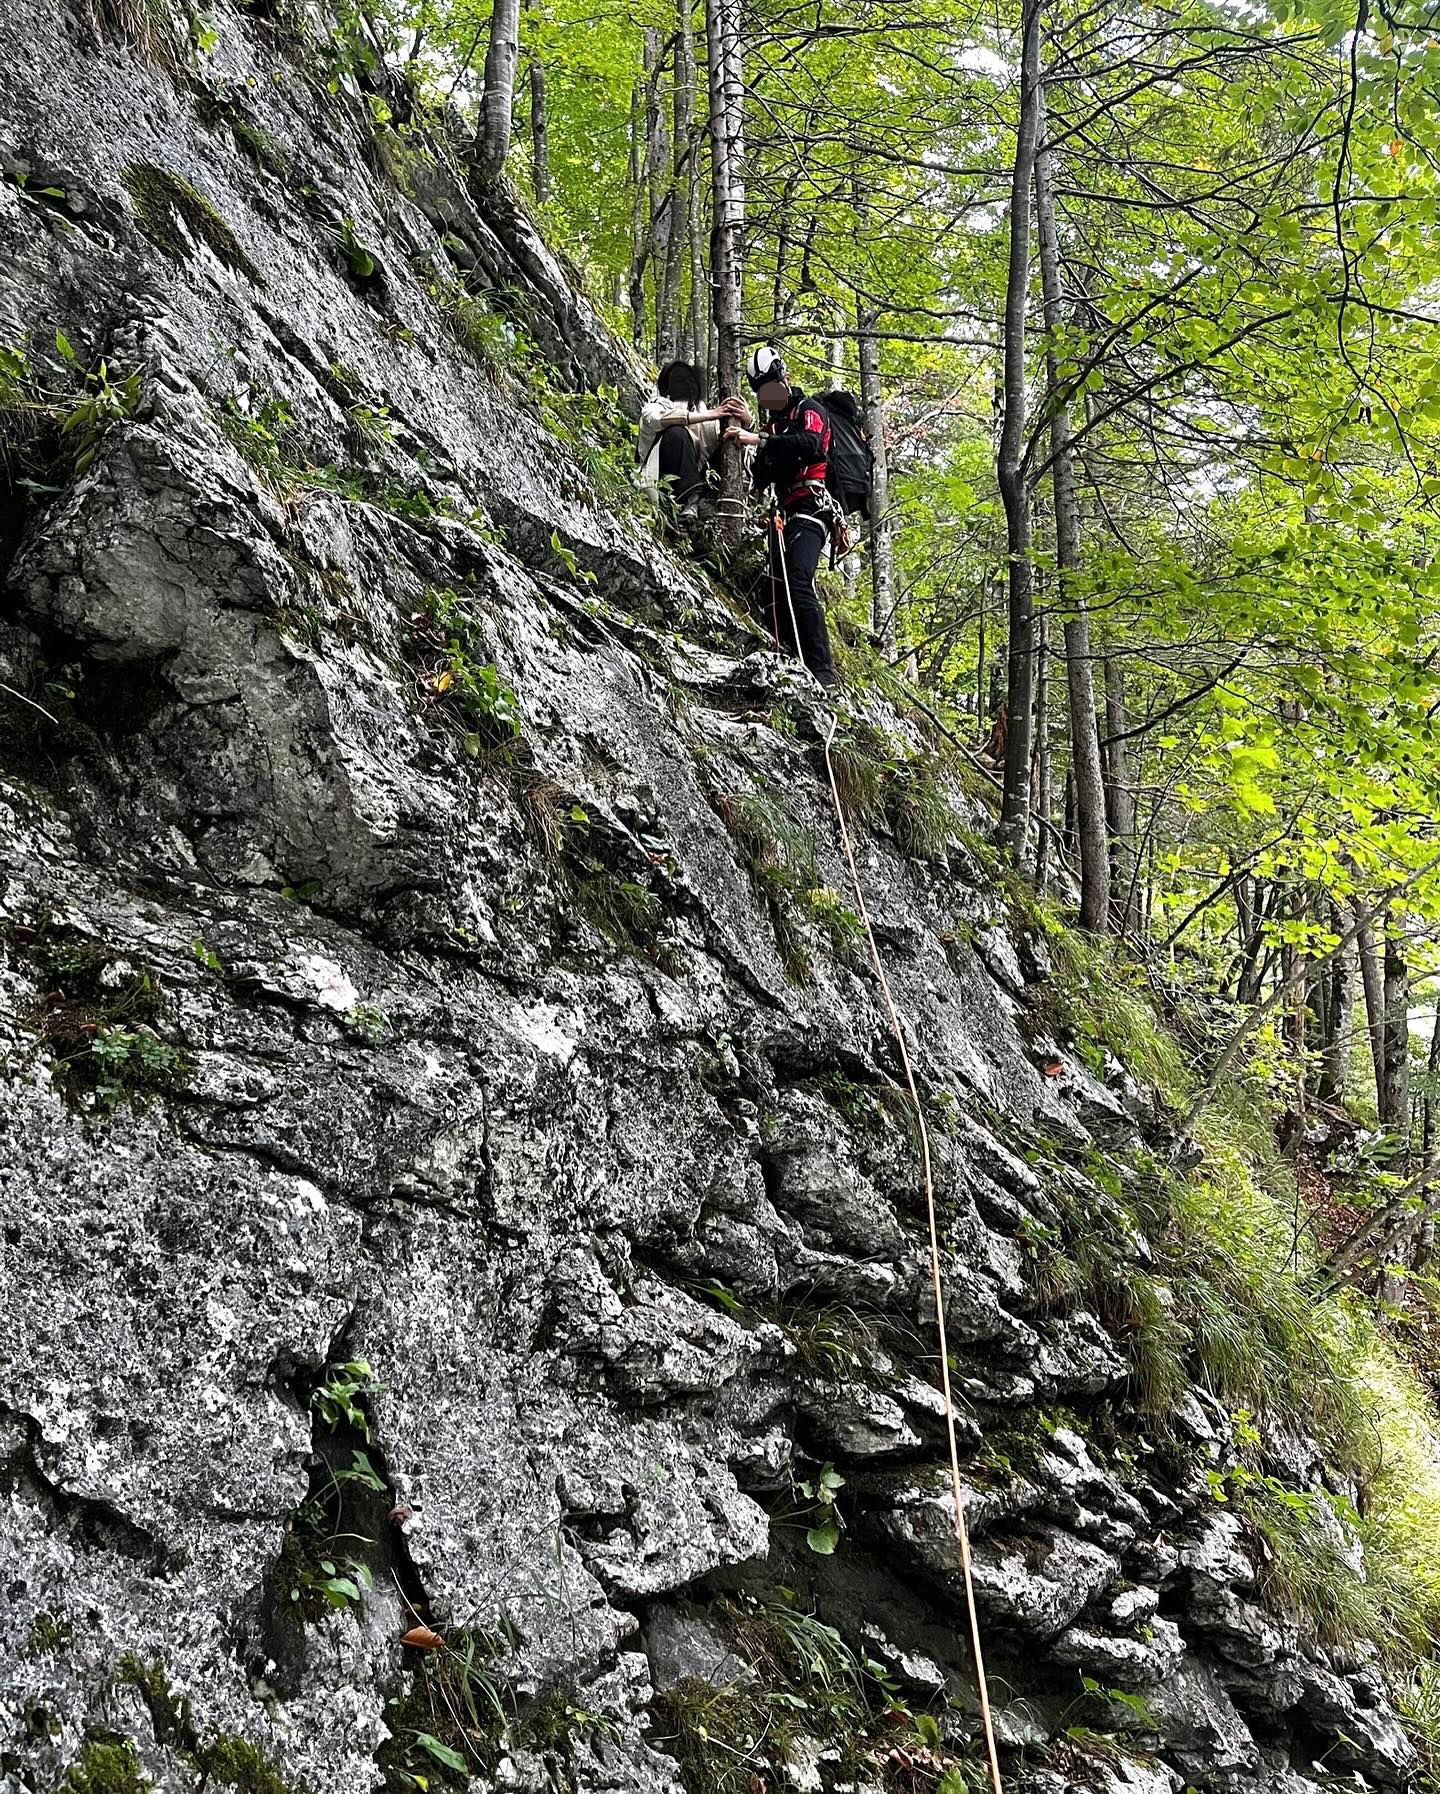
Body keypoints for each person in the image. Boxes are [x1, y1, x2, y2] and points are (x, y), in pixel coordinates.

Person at [724, 345, 837, 689]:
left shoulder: (809, 410)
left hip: (812, 507)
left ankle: (823, 672)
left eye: (772, 389)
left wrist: (759, 437)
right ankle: (788, 656)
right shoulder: (775, 425)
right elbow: (761, 473)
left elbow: (811, 444)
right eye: (763, 393)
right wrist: (751, 436)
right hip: (784, 513)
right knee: (775, 587)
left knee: (799, 581)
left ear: (785, 380)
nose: (769, 397)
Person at [637, 361, 751, 519]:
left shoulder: (700, 413)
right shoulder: (655, 406)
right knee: (676, 433)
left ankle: (708, 503)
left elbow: (725, 434)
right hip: (657, 485)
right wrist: (710, 414)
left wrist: (747, 421)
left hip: (693, 484)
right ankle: (688, 502)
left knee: (727, 439)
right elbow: (655, 419)